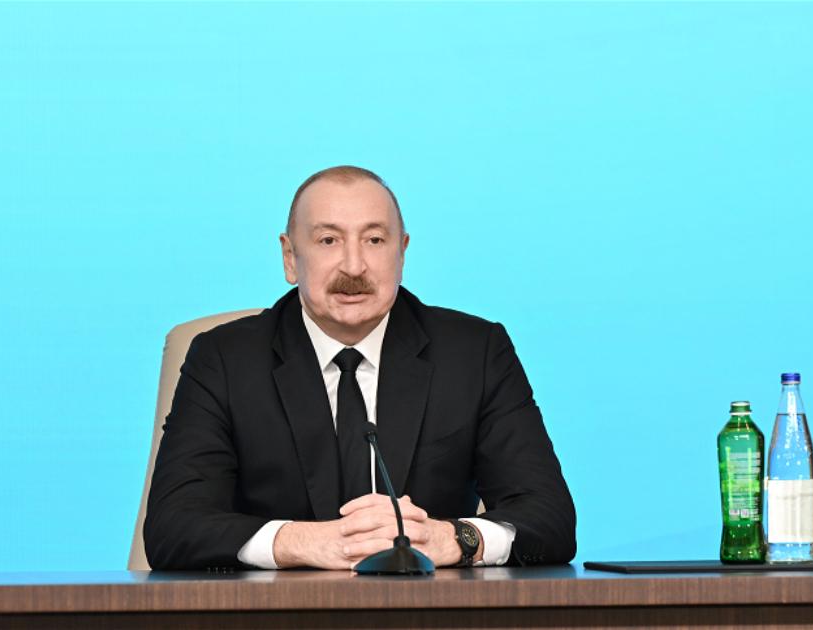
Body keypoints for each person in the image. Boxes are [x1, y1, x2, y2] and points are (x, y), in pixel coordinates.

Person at [144, 166, 575, 570]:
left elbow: (550, 518)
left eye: (374, 240)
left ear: (402, 253)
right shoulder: (224, 359)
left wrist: (455, 538)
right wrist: (302, 541)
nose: (354, 266)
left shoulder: (474, 353)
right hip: (275, 613)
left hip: (428, 611)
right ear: (290, 257)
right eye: (328, 240)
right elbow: (173, 526)